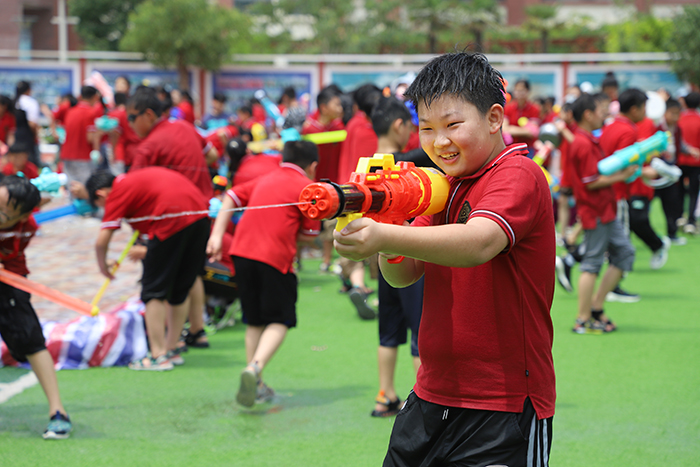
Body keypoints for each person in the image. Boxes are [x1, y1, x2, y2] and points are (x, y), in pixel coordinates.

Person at [334, 52, 555, 466]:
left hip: (504, 404)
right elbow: (401, 275)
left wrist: (384, 232)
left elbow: (479, 243)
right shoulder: (444, 186)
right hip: (431, 394)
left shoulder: (518, 174)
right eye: (427, 128)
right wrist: (388, 229)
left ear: (493, 118)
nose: (439, 141)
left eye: (453, 125)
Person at [207, 141, 320, 407]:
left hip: (241, 253)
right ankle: (255, 368)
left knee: (255, 320)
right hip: (273, 258)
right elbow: (310, 234)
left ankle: (255, 380)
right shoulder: (307, 187)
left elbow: (231, 197)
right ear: (313, 166)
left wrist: (217, 234)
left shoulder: (265, 178)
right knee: (281, 318)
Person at [88, 167, 210, 370]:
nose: (103, 208)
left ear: (101, 193)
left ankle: (158, 355)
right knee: (180, 288)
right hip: (200, 218)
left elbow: (102, 241)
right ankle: (171, 349)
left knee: (153, 291)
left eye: (100, 204)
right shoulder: (135, 181)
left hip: (170, 221)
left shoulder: (119, 190)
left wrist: (103, 265)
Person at [0, 175, 72, 439]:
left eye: (1, 214)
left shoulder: (25, 225)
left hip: (10, 280)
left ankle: (58, 412)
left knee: (31, 341)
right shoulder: (14, 207)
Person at [561, 93, 638, 335]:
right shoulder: (582, 143)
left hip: (604, 211)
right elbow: (590, 181)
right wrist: (622, 176)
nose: (606, 113)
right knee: (592, 264)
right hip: (594, 212)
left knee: (625, 252)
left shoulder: (587, 139)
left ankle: (594, 308)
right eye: (603, 109)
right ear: (588, 114)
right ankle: (583, 319)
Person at [368, 97, 423, 418]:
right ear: (398, 125)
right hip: (409, 256)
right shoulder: (408, 163)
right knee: (421, 331)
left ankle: (384, 395)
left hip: (382, 258)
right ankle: (426, 402)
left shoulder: (367, 165)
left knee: (388, 331)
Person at [600, 88, 670, 271]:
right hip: (620, 190)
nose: (647, 112)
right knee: (622, 244)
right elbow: (625, 163)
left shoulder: (609, 126)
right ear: (634, 109)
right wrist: (643, 172)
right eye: (644, 107)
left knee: (610, 236)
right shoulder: (628, 130)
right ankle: (613, 286)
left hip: (609, 189)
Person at [128, 87, 214, 199]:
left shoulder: (149, 146)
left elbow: (130, 188)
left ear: (149, 115)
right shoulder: (184, 126)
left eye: (131, 118)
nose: (129, 124)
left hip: (180, 209)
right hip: (206, 205)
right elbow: (213, 154)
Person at [301, 86, 345, 272]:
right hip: (310, 184)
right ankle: (297, 260)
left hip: (334, 184)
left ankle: (326, 261)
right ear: (324, 107)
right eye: (337, 104)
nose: (341, 108)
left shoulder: (339, 128)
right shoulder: (308, 129)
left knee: (330, 222)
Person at [656, 98, 699, 244]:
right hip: (656, 170)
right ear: (665, 112)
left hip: (672, 169)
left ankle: (672, 232)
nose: (675, 117)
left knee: (672, 201)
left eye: (677, 113)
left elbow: (680, 144)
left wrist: (690, 150)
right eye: (672, 113)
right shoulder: (657, 127)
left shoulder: (678, 128)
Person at [60, 85, 103, 188]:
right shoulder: (91, 113)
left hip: (66, 154)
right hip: (83, 156)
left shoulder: (70, 111)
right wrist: (101, 133)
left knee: (71, 188)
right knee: (84, 188)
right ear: (95, 97)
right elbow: (90, 138)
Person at [677, 92, 700, 234]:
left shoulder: (679, 118)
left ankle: (679, 217)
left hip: (679, 161)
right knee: (693, 192)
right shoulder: (699, 120)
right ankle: (691, 221)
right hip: (696, 162)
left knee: (679, 191)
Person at [503, 79, 541, 156]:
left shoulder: (534, 109)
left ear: (527, 91)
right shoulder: (508, 108)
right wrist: (524, 130)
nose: (519, 93)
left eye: (521, 90)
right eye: (517, 90)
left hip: (528, 149)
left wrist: (511, 129)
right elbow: (504, 129)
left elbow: (532, 132)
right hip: (511, 148)